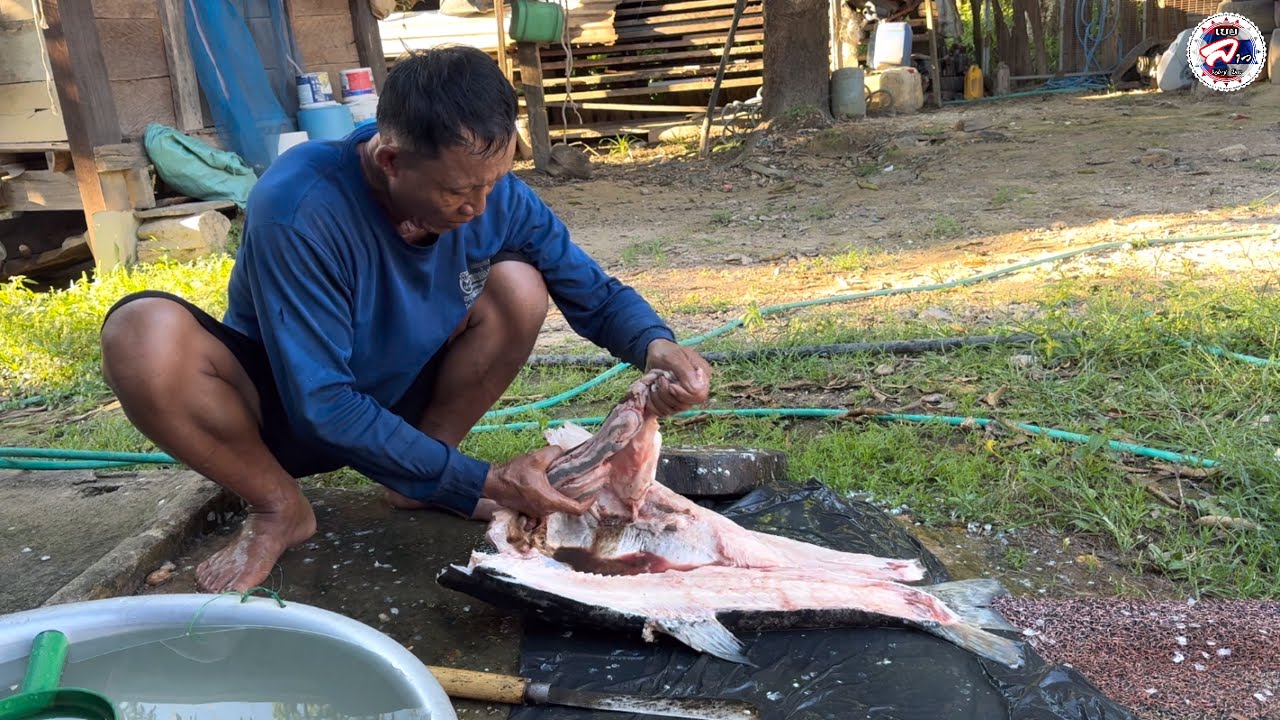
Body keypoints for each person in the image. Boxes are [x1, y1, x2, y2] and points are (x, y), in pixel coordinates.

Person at [98, 46, 712, 595]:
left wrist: (657, 345)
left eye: (492, 184)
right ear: (391, 160)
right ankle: (277, 505)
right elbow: (324, 404)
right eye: (456, 193)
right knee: (141, 335)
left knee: (518, 285)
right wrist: (487, 480)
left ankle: (419, 475)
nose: (477, 209)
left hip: (393, 398)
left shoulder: (492, 196)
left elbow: (591, 291)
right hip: (280, 411)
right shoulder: (299, 205)